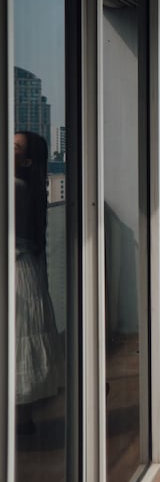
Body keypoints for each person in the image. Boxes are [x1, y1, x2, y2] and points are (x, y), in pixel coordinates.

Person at [14, 131, 63, 435]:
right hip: (25, 271)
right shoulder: (28, 189)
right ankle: (22, 420)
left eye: (15, 148)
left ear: (27, 160)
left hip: (16, 271)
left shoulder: (14, 188)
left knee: (17, 342)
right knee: (22, 343)